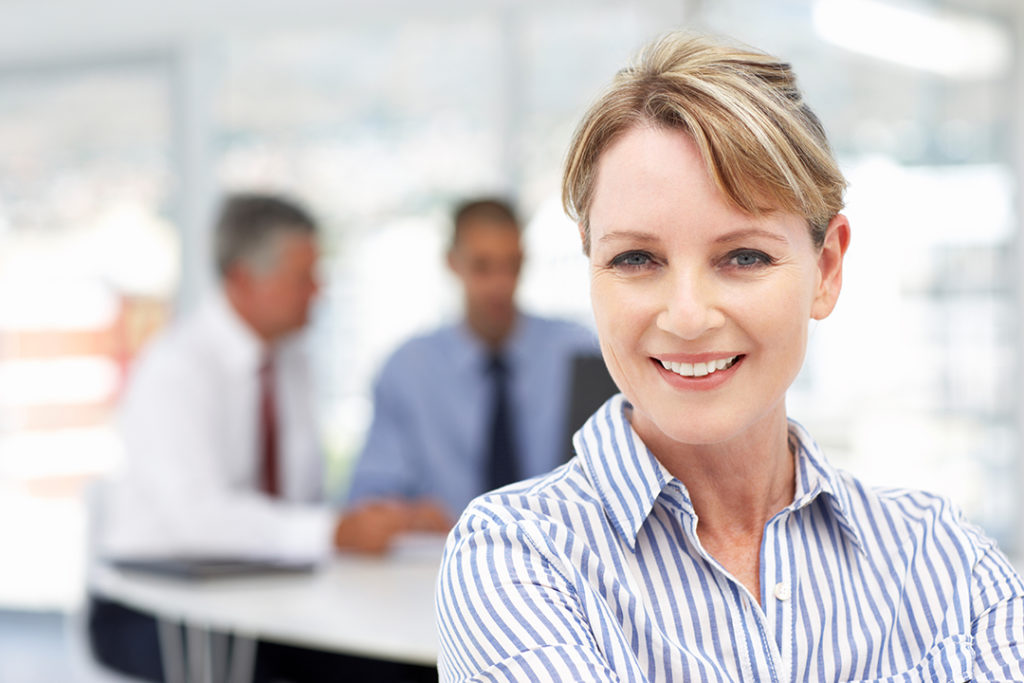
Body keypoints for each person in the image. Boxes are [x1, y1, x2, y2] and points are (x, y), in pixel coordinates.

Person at [436, 33, 1024, 681]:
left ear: (825, 270)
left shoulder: (937, 555)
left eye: (743, 256)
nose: (687, 315)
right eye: (636, 258)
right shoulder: (515, 555)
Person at [90, 194, 416, 682]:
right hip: (156, 602)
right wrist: (333, 532)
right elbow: (198, 519)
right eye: (302, 278)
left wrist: (371, 521)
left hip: (266, 592)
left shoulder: (292, 362)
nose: (318, 292)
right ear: (244, 279)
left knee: (397, 669)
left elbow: (300, 499)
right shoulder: (176, 368)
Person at [337, 198, 598, 554]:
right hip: (440, 568)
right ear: (452, 264)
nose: (500, 285)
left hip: (561, 561)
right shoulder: (407, 370)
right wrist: (408, 517)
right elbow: (367, 503)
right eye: (482, 267)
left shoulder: (579, 353)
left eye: (512, 266)